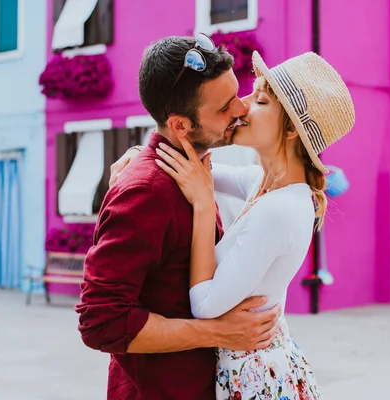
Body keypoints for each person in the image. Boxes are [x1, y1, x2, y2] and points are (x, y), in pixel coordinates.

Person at [115, 51, 355, 399]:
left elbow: (205, 305)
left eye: (259, 100)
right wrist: (142, 154)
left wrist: (202, 205)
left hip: (256, 378)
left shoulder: (278, 209)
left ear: (290, 130)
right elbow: (195, 169)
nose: (241, 106)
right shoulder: (267, 181)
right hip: (256, 365)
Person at [75, 35, 282, 400]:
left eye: (237, 93)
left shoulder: (195, 168)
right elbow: (101, 322)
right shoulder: (146, 192)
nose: (241, 109)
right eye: (223, 107)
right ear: (181, 126)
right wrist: (218, 332)